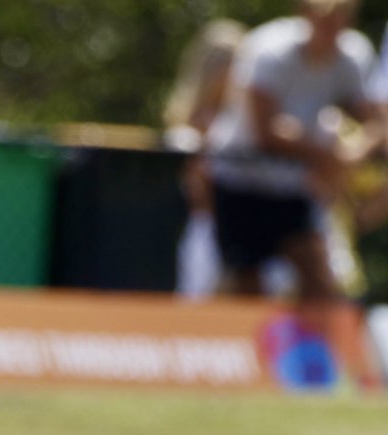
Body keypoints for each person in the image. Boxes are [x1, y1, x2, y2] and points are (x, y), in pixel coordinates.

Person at [204, 0, 381, 300]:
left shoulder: (353, 56)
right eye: (325, 19)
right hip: (240, 178)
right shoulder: (269, 50)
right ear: (306, 14)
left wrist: (355, 152)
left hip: (292, 185)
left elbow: (375, 121)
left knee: (319, 281)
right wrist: (326, 155)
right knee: (246, 284)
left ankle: (319, 346)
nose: (332, 29)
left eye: (340, 19)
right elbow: (265, 131)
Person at [163, 19, 248, 298]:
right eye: (222, 62)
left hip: (249, 224)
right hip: (206, 230)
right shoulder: (184, 127)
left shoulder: (250, 122)